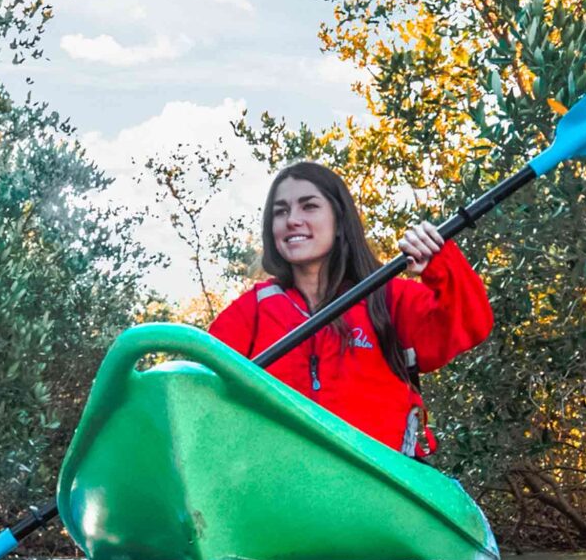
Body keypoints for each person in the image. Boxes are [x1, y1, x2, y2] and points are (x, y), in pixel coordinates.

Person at [206, 160, 493, 457]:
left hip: (374, 484)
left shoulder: (387, 297)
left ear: (340, 221)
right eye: (281, 211)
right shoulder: (252, 310)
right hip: (279, 482)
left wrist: (440, 261)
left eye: (309, 206)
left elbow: (470, 323)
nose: (292, 220)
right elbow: (202, 382)